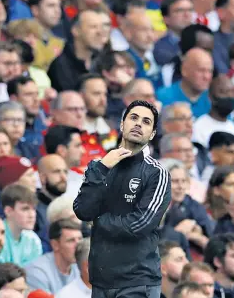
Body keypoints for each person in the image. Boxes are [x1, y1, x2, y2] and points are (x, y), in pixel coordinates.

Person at [73, 100, 171, 298]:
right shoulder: (99, 166)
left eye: (146, 122)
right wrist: (101, 168)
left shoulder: (156, 173)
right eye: (133, 118)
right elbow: (83, 210)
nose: (138, 124)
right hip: (101, 280)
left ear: (152, 134)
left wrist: (99, 221)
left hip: (138, 280)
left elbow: (139, 224)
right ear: (122, 124)